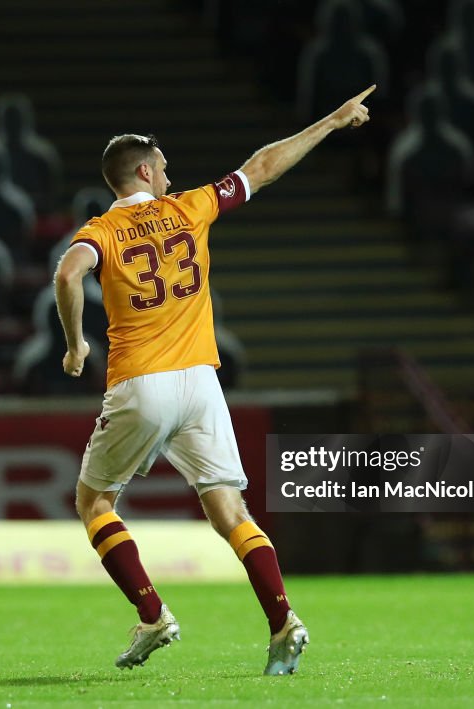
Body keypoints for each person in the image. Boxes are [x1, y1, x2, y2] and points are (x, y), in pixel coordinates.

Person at [54, 86, 375, 675]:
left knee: (93, 499)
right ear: (145, 171)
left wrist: (76, 344)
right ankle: (283, 623)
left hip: (141, 382)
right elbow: (262, 167)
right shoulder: (190, 208)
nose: (171, 175)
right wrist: (329, 123)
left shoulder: (100, 231)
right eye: (165, 167)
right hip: (201, 382)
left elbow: (68, 276)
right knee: (230, 510)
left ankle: (152, 615)